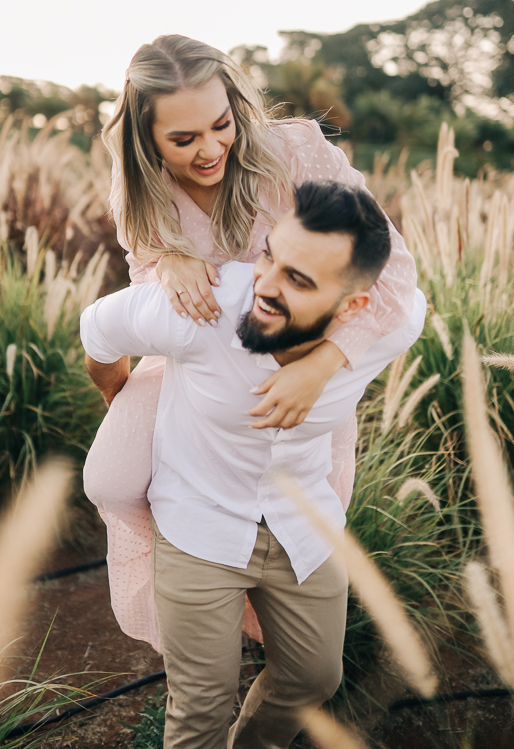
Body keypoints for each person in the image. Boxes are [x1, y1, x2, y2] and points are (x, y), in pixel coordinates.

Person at [84, 34, 417, 649]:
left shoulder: (296, 151)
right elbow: (148, 289)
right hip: (195, 363)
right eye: (183, 139)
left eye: (221, 125)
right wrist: (166, 264)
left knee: (286, 503)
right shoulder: (137, 187)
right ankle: (197, 605)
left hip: (294, 354)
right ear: (145, 139)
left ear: (235, 103)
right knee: (110, 480)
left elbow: (392, 271)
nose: (211, 148)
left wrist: (322, 365)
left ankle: (265, 620)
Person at [81, 181, 426, 749]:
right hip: (198, 525)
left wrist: (325, 363)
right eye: (270, 256)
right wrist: (120, 398)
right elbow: (97, 328)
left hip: (304, 526)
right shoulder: (201, 308)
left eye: (299, 280)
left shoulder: (380, 329)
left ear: (353, 309)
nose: (264, 285)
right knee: (202, 708)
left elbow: (411, 307)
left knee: (314, 678)